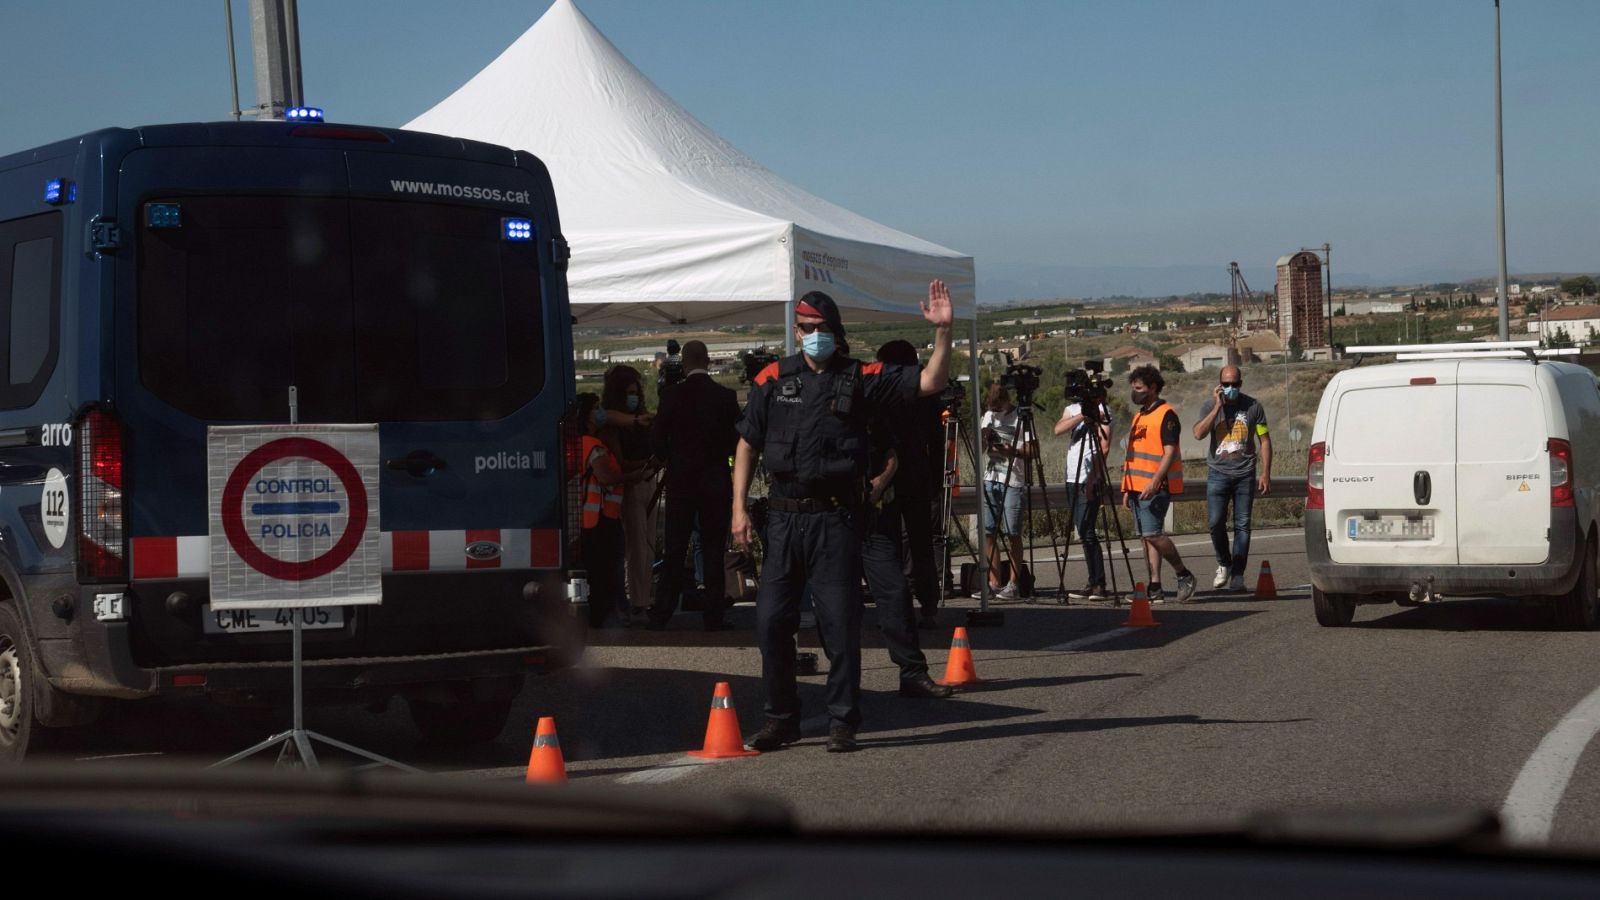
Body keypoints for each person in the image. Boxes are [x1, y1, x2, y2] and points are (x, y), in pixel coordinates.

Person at [732, 284, 955, 754]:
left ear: (836, 332)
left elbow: (930, 382)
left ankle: (842, 721)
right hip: (783, 518)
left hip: (835, 520)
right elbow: (747, 444)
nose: (814, 336)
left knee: (838, 624)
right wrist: (738, 509)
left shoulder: (861, 378)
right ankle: (780, 720)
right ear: (796, 331)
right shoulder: (772, 379)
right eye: (807, 329)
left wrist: (943, 332)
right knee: (771, 622)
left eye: (822, 330)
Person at [647, 341, 740, 631]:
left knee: (675, 549)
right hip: (715, 482)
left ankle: (662, 613)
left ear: (684, 363)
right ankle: (714, 616)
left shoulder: (672, 396)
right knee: (713, 549)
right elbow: (737, 442)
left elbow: (657, 439)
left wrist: (668, 457)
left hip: (681, 482)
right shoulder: (725, 396)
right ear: (709, 361)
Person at [860, 414, 954, 700]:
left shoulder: (865, 402)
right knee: (836, 609)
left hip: (875, 512)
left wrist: (879, 483)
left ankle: (912, 672)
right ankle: (840, 693)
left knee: (896, 592)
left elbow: (891, 454)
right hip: (827, 518)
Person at [876, 340, 947, 628]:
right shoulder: (926, 395)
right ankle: (928, 605)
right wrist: (936, 478)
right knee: (921, 545)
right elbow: (937, 440)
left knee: (889, 546)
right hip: (919, 475)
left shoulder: (884, 394)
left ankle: (897, 607)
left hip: (889, 477)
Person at [1120, 365, 1197, 604]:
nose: (1135, 392)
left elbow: (1170, 452)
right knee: (1146, 537)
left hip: (1155, 487)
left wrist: (1155, 481)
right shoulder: (1139, 416)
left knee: (1153, 534)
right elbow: (1134, 454)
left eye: (1139, 388)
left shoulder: (1166, 415)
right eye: (1133, 388)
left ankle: (1184, 574)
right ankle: (1155, 587)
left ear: (1153, 388)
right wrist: (1126, 487)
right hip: (1136, 487)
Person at [1192, 364, 1272, 592]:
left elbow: (1264, 440)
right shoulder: (1210, 406)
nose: (1230, 388)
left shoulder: (1253, 406)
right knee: (1215, 523)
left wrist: (1266, 472)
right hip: (1218, 473)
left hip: (1245, 473)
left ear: (1241, 384)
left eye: (1234, 384)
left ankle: (1238, 574)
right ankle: (1224, 563)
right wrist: (1217, 406)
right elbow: (1197, 434)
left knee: (1243, 526)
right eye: (1225, 384)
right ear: (1219, 385)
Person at [599, 366, 657, 625]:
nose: (634, 397)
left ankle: (643, 597)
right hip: (632, 485)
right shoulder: (612, 423)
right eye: (630, 393)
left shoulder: (639, 420)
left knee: (649, 545)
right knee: (637, 547)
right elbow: (620, 461)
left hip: (647, 481)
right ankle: (638, 602)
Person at [573, 393, 630, 629]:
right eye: (595, 408)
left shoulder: (580, 442)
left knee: (596, 570)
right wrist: (632, 477)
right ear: (586, 416)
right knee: (606, 570)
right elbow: (606, 477)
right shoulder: (594, 446)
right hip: (601, 518)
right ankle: (608, 615)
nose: (600, 412)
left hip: (589, 518)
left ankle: (601, 614)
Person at [978, 383, 1037, 601]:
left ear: (1006, 401)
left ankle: (1013, 584)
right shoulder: (989, 416)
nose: (996, 412)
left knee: (1013, 533)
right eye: (992, 408)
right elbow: (982, 448)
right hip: (990, 478)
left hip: (1013, 480)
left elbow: (1034, 449)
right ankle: (994, 583)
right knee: (988, 532)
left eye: (998, 407)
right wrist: (984, 437)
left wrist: (1014, 450)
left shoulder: (1021, 418)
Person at [1054, 393, 1113, 602]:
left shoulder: (1104, 411)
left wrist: (1093, 478)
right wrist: (1082, 416)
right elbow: (1058, 429)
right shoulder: (1072, 410)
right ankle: (1093, 580)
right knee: (1082, 529)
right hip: (1072, 477)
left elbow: (1104, 447)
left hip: (1089, 478)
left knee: (1087, 531)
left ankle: (1099, 583)